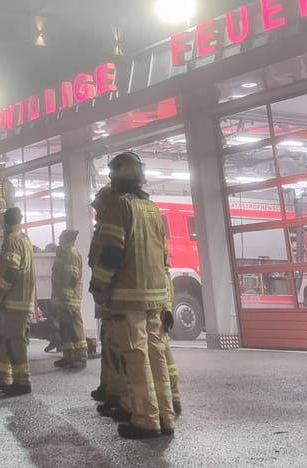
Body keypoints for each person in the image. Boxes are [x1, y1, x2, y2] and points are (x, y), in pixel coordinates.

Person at [88, 151, 176, 439]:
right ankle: (165, 416)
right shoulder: (150, 207)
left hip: (129, 297)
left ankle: (146, 420)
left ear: (116, 177)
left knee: (136, 357)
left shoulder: (118, 206)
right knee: (156, 355)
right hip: (155, 295)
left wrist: (98, 286)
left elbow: (112, 253)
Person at [0, 207, 35, 396]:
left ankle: (22, 382)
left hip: (15, 300)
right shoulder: (23, 238)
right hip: (19, 299)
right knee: (4, 339)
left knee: (14, 341)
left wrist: (0, 295)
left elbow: (11, 271)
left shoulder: (12, 240)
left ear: (5, 222)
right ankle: (2, 378)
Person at [51, 229, 88, 369]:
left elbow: (72, 276)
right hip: (63, 298)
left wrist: (66, 296)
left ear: (67, 238)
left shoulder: (71, 253)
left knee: (74, 327)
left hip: (70, 299)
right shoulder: (65, 252)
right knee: (65, 327)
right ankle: (69, 356)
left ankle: (81, 356)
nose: (59, 239)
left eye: (61, 237)